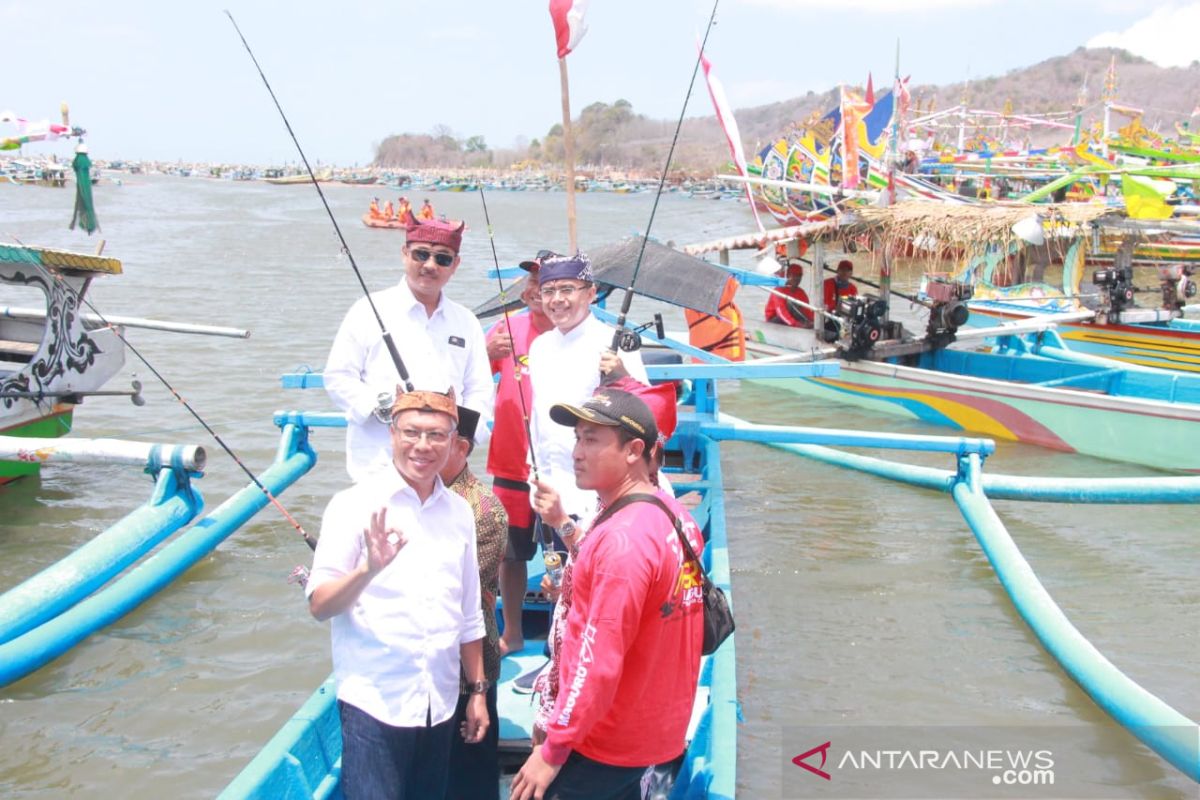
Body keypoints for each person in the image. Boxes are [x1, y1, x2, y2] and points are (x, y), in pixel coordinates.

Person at [510, 389, 705, 800]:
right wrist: (563, 524)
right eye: (578, 438)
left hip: (601, 743)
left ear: (634, 450)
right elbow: (640, 592)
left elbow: (596, 663)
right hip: (653, 732)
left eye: (592, 440)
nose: (577, 452)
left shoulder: (623, 541)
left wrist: (553, 750)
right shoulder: (672, 514)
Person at [306, 388, 489, 800]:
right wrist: (368, 570)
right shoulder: (353, 505)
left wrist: (477, 694)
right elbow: (320, 605)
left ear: (454, 443)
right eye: (412, 433)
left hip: (439, 704)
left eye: (436, 435)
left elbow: (469, 615)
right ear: (392, 434)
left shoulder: (460, 512)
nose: (422, 446)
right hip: (375, 703)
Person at [325, 214, 494, 482]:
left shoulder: (466, 321)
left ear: (455, 265)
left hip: (445, 470)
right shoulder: (367, 309)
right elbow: (338, 377)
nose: (430, 265)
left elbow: (480, 390)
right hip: (377, 466)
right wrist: (381, 407)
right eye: (421, 254)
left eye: (443, 258)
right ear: (405, 254)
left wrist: (464, 440)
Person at [528, 253, 648, 538]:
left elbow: (649, 414)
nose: (557, 299)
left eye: (567, 289)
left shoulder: (615, 343)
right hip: (552, 490)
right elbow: (537, 418)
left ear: (591, 293)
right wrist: (533, 478)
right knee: (560, 580)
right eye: (548, 291)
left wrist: (622, 376)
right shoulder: (539, 346)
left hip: (603, 493)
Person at [488, 250, 557, 656]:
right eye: (532, 282)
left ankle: (558, 637)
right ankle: (512, 632)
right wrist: (484, 354)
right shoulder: (506, 328)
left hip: (559, 468)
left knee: (560, 555)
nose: (534, 291)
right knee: (509, 556)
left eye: (546, 284)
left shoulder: (574, 334)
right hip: (510, 462)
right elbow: (468, 380)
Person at [442, 406, 507, 799]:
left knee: (471, 769)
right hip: (425, 664)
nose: (423, 449)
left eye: (438, 439)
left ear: (462, 447)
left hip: (471, 664)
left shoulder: (482, 509)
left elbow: (466, 597)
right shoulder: (413, 496)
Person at [764, 260, 813, 328]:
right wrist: (797, 325)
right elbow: (781, 313)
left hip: (792, 319)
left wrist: (812, 321)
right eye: (794, 275)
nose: (797, 278)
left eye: (799, 276)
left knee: (809, 320)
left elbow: (807, 311)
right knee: (791, 304)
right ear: (788, 275)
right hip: (775, 321)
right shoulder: (779, 290)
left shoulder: (801, 293)